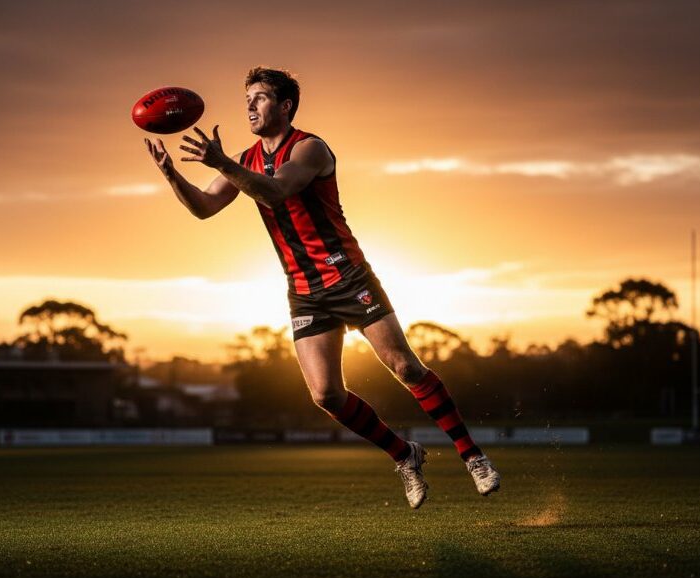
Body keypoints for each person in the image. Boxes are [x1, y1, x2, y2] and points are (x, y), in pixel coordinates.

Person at [144, 66, 500, 508]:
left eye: (259, 98)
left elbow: (277, 192)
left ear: (285, 105)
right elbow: (204, 207)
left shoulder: (310, 148)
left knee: (406, 367)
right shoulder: (247, 158)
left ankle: (473, 456)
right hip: (304, 289)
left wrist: (221, 163)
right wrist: (171, 175)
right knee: (326, 395)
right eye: (246, 101)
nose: (250, 107)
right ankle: (405, 455)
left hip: (348, 275)